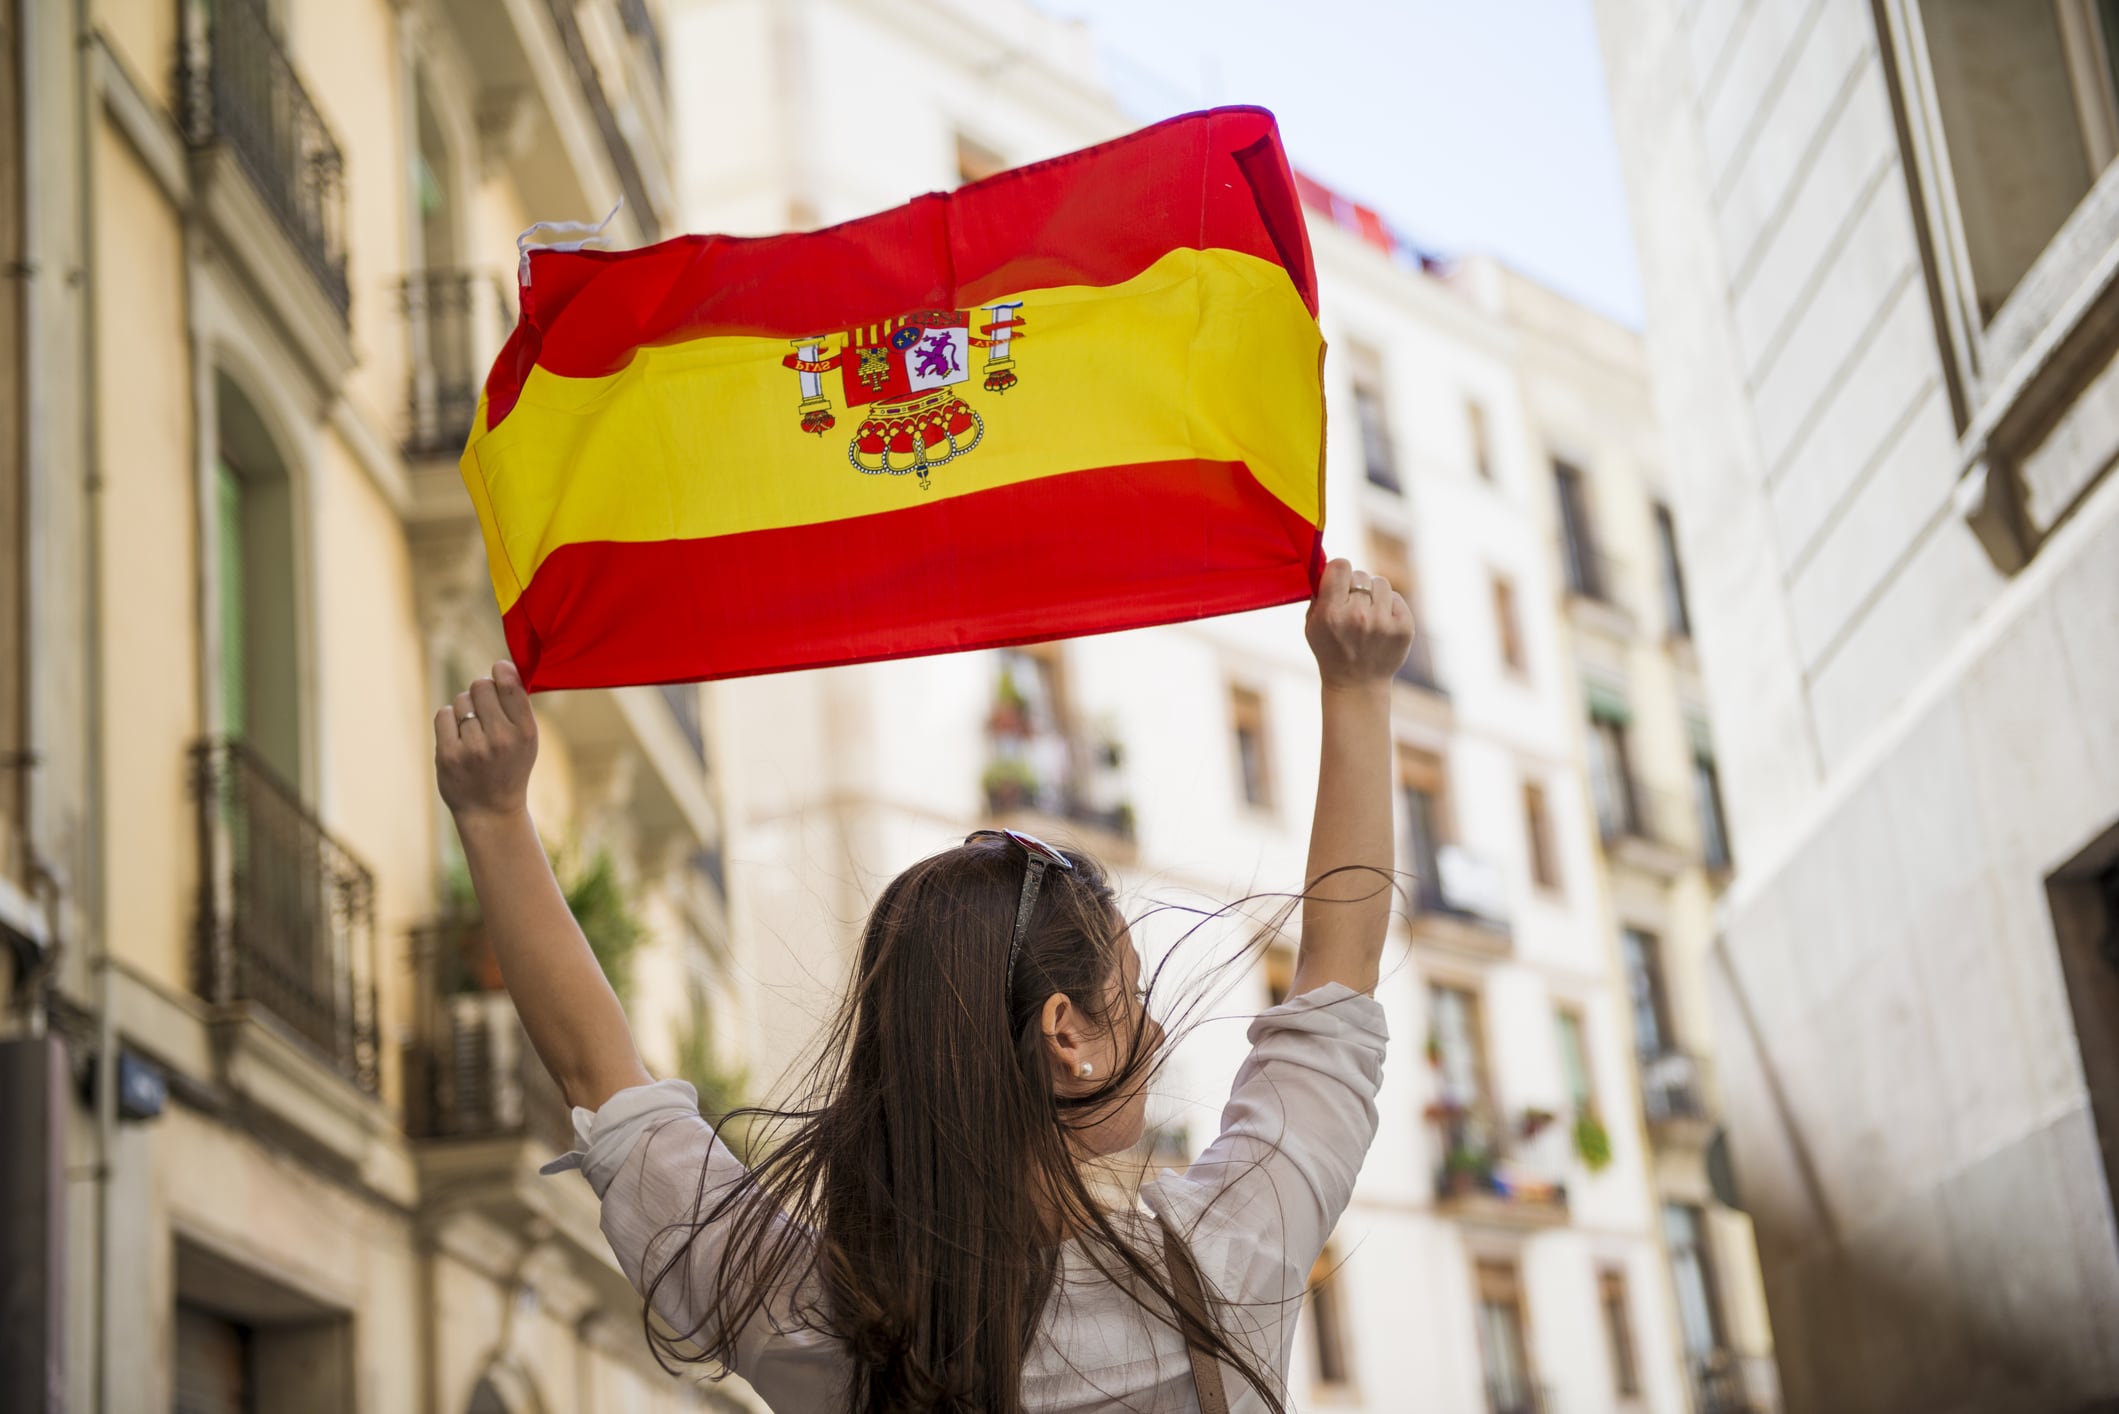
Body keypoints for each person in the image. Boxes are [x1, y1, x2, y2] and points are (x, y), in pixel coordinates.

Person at [434, 559, 1413, 1414]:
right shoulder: (1227, 1257)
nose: (1154, 1029)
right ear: (1065, 1034)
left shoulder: (809, 1311)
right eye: (1129, 995)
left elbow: (600, 1076)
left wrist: (492, 813)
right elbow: (1336, 971)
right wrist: (1357, 686)